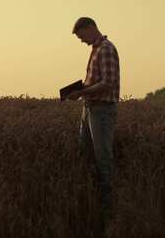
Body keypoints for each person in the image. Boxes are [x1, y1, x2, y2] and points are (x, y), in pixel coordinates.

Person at [67, 16, 120, 230]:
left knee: (103, 157)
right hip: (90, 108)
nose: (81, 41)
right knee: (86, 152)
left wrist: (81, 92)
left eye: (81, 36)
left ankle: (110, 210)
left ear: (90, 28)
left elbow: (108, 83)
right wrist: (80, 91)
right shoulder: (96, 49)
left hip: (101, 110)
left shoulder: (106, 49)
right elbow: (97, 81)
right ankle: (95, 200)